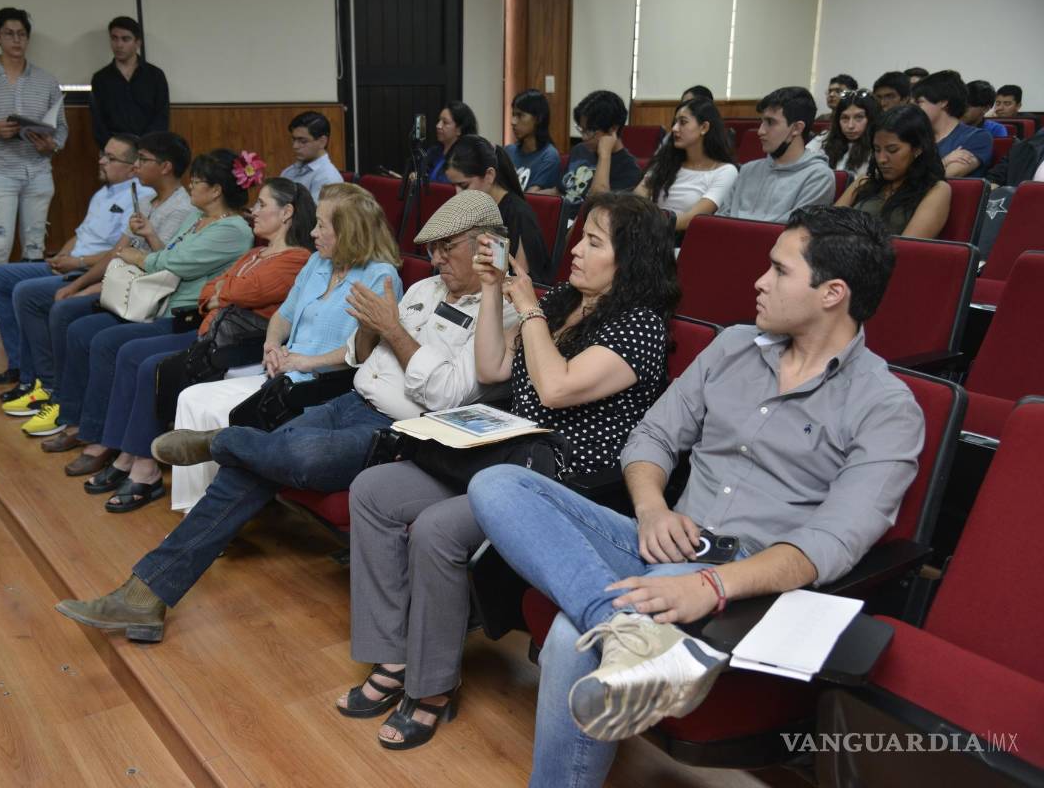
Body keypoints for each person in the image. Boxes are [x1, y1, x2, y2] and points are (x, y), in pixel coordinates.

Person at [468, 205, 925, 788]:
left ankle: (616, 637)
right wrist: (652, 507)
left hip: (746, 576)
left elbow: (831, 543)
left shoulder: (885, 406)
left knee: (566, 633)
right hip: (665, 536)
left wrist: (707, 584)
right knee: (497, 483)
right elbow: (652, 438)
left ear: (832, 292)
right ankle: (625, 630)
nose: (759, 282)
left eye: (780, 272)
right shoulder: (734, 347)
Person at [53, 190, 521, 642]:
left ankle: (222, 442)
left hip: (403, 431)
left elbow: (446, 394)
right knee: (250, 470)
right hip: (351, 401)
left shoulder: (502, 313)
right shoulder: (424, 287)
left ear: (486, 246)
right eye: (432, 249)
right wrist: (367, 329)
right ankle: (144, 594)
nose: (436, 259)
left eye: (446, 248)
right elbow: (363, 359)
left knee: (298, 458)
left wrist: (392, 329)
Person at [338, 192, 679, 751]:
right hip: (504, 449)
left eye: (594, 242)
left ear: (632, 258)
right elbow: (494, 366)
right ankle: (394, 655)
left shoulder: (638, 327)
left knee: (437, 528)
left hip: (560, 478)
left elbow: (555, 386)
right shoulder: (568, 301)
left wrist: (532, 306)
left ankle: (432, 688)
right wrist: (497, 290)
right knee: (374, 490)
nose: (575, 250)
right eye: (581, 236)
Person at [81, 178, 318, 512]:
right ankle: (127, 453)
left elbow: (246, 292)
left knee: (150, 365)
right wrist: (222, 292)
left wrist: (225, 291)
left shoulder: (297, 259)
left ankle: (142, 466)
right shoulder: (255, 252)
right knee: (131, 353)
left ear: (287, 212)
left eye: (263, 204)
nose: (255, 210)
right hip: (212, 336)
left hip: (241, 345)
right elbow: (209, 291)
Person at [169, 181, 402, 511]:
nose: (312, 233)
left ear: (349, 232)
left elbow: (365, 352)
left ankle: (216, 510)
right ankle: (192, 508)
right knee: (191, 397)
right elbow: (283, 315)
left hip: (323, 386)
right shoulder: (318, 263)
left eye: (322, 225)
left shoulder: (381, 277)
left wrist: (306, 362)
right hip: (282, 374)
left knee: (223, 414)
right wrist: (271, 345)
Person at [52, 149, 252, 484]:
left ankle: (111, 443)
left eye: (197, 182)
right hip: (162, 302)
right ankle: (95, 432)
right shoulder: (196, 218)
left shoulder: (233, 230)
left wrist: (135, 256)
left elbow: (174, 263)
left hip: (185, 314)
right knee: (91, 333)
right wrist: (148, 238)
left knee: (111, 344)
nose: (190, 188)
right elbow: (170, 253)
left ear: (216, 190)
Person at [0, 133, 194, 439]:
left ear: (166, 167)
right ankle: (60, 401)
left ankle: (65, 404)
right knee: (62, 305)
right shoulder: (143, 200)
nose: (137, 166)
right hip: (120, 284)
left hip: (145, 296)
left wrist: (93, 287)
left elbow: (162, 264)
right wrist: (82, 284)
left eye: (143, 160)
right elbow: (118, 251)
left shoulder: (181, 208)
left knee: (67, 315)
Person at [0, 133, 154, 403]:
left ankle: (38, 379)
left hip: (91, 269)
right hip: (70, 263)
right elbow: (80, 234)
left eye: (110, 158)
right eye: (103, 154)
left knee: (25, 292)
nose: (101, 161)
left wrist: (77, 263)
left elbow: (120, 252)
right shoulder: (103, 192)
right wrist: (61, 256)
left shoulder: (140, 197)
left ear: (134, 167)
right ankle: (18, 363)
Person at [0, 7, 68, 339]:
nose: (16, 40)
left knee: (34, 244)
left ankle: (30, 307)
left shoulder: (46, 80)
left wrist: (49, 144)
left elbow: (62, 132)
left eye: (22, 34)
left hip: (37, 169)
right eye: (9, 33)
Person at [719, 87, 835, 223]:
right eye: (762, 122)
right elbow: (720, 219)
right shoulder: (748, 170)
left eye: (770, 122)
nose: (760, 131)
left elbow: (793, 233)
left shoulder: (819, 177)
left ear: (797, 128)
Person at [444, 135, 551, 282]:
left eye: (464, 186)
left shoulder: (519, 215)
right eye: (453, 186)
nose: (457, 194)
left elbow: (521, 281)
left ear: (489, 175)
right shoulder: (469, 210)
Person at [836, 105, 950, 238]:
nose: (881, 159)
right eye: (877, 150)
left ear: (917, 148)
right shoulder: (864, 182)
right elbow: (826, 224)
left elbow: (910, 247)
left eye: (892, 150)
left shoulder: (936, 189)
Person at [635, 96, 737, 232]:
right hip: (650, 234)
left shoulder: (725, 171)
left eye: (683, 122)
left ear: (704, 127)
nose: (675, 128)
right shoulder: (667, 161)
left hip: (683, 240)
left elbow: (691, 220)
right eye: (675, 122)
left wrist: (648, 223)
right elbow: (637, 199)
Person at [544, 90, 643, 209]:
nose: (584, 137)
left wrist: (604, 155)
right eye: (582, 129)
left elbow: (598, 206)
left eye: (590, 131)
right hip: (560, 220)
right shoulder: (580, 150)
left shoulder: (629, 170)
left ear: (613, 129)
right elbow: (559, 192)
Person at [89, 16, 169, 148]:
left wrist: (144, 146)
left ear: (138, 43)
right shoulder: (100, 78)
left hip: (148, 149)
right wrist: (114, 148)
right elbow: (98, 122)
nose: (119, 45)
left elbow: (161, 117)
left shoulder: (155, 76)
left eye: (125, 39)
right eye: (114, 38)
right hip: (113, 151)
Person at [912, 70, 994, 179]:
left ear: (943, 102)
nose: (912, 109)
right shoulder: (915, 136)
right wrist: (945, 161)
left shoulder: (977, 137)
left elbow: (945, 177)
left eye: (919, 102)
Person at [807, 90, 880, 178]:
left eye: (859, 117)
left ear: (871, 119)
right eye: (845, 118)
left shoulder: (879, 146)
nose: (850, 125)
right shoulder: (825, 138)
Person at [280, 111, 344, 202]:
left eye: (302, 141)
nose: (295, 146)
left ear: (322, 142)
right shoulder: (289, 172)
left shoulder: (328, 178)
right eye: (293, 140)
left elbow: (314, 215)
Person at [506, 89, 562, 193]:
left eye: (520, 115)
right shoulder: (508, 151)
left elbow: (532, 198)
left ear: (538, 119)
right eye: (513, 115)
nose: (513, 122)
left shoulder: (549, 156)